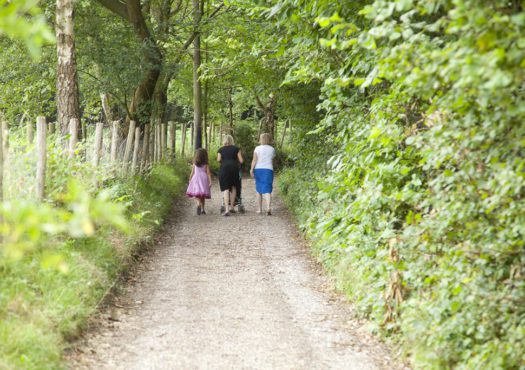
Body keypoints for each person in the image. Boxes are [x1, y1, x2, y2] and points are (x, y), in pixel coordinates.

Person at [217, 134, 244, 216]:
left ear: (224, 140)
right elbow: (241, 160)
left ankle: (226, 210)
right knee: (234, 187)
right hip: (234, 168)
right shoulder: (236, 149)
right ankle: (232, 207)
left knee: (226, 188)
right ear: (231, 140)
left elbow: (218, 159)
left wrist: (224, 161)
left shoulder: (220, 149)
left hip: (224, 169)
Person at [250, 133, 276, 215]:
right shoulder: (272, 149)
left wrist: (251, 169)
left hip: (259, 169)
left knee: (259, 189)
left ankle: (260, 209)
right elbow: (272, 159)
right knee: (267, 189)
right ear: (269, 139)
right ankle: (268, 207)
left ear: (261, 139)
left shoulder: (257, 148)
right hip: (268, 169)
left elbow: (254, 160)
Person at [186, 148, 212, 215]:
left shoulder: (195, 163)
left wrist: (190, 179)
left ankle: (198, 204)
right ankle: (203, 210)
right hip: (204, 179)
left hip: (196, 179)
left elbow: (192, 172)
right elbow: (208, 173)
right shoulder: (206, 164)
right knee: (203, 195)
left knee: (197, 194)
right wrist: (210, 181)